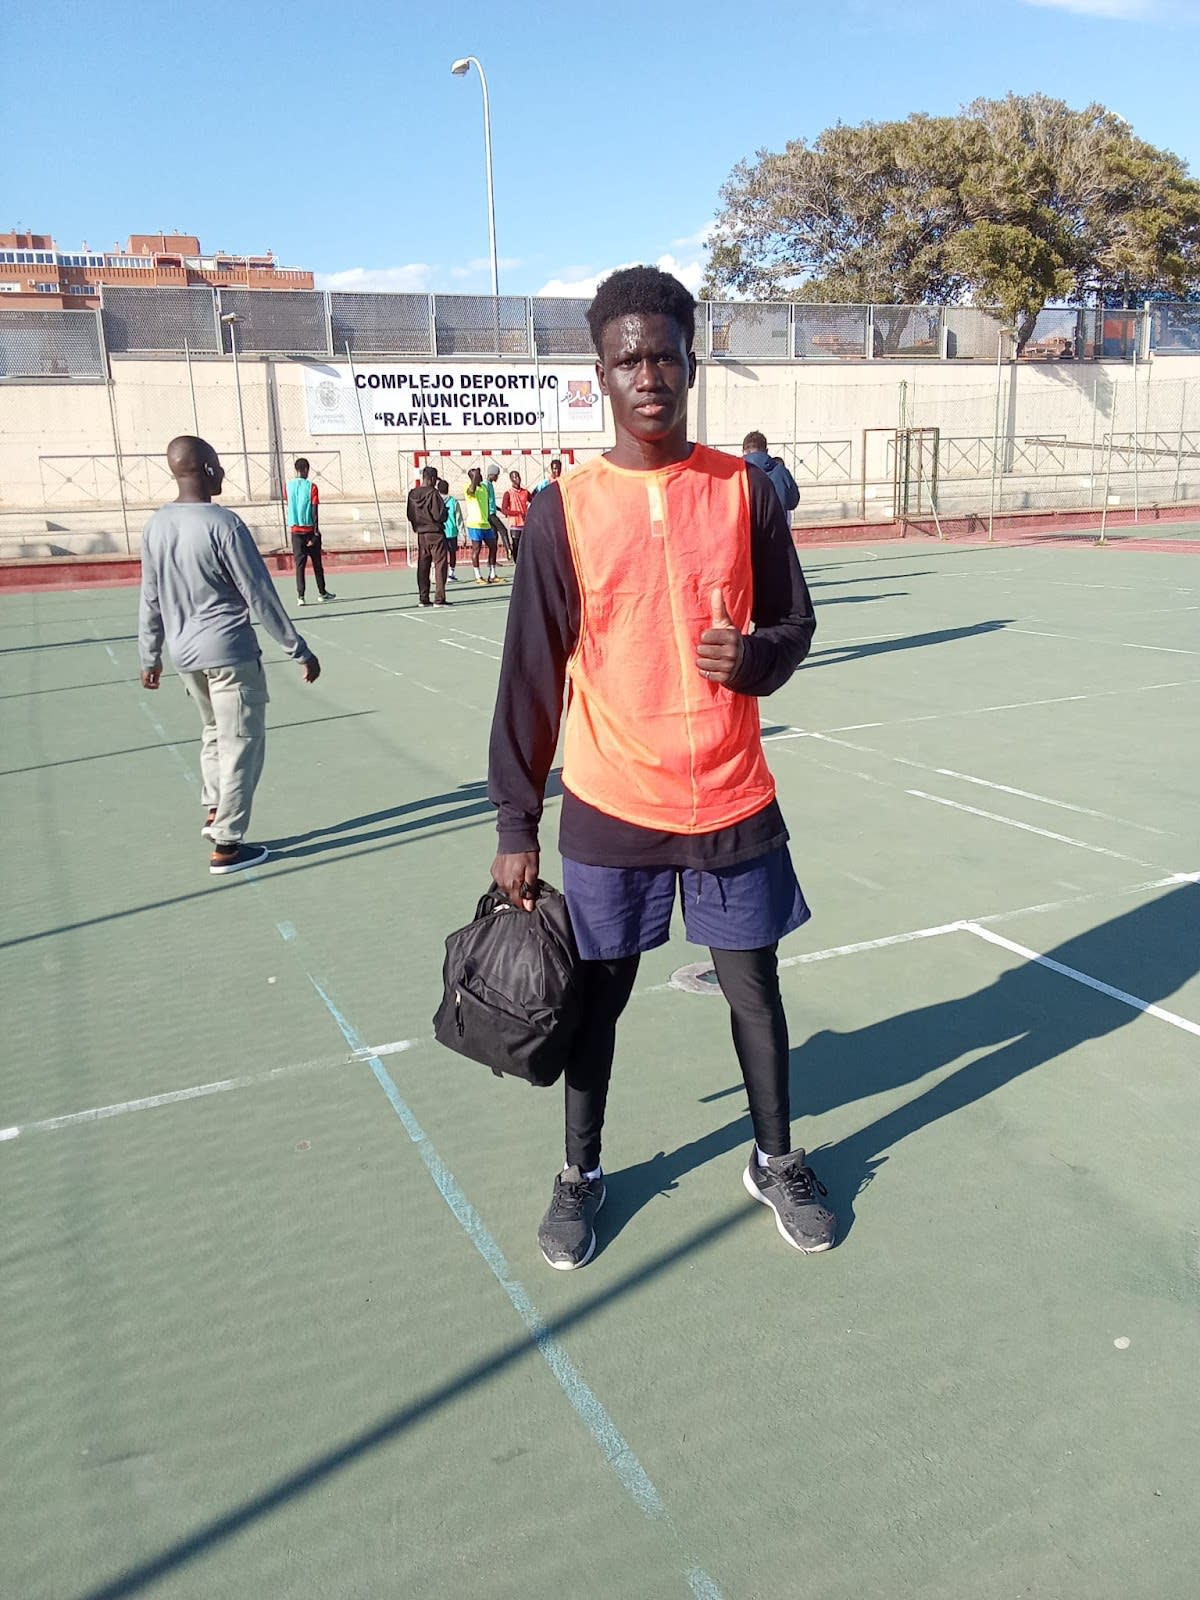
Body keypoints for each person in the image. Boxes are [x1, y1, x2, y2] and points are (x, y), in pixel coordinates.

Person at [488, 266, 834, 1271]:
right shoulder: (563, 511)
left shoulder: (744, 491)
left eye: (664, 355)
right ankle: (581, 1176)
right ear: (599, 373)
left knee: (755, 992)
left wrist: (756, 656)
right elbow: (529, 677)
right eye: (627, 358)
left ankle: (775, 1157)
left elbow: (795, 623)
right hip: (613, 799)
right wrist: (517, 820)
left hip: (730, 794)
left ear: (692, 359)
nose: (649, 374)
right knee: (598, 999)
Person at [139, 436, 321, 875]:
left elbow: (150, 597)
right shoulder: (224, 525)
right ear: (204, 469)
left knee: (212, 732)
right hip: (228, 653)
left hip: (185, 657)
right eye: (217, 465)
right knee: (240, 743)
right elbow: (257, 593)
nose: (221, 473)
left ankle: (213, 805)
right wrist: (298, 648)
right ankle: (227, 843)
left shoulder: (156, 526)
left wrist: (150, 654)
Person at [285, 458, 335, 605]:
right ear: (306, 470)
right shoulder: (312, 487)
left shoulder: (287, 486)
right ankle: (322, 592)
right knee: (317, 563)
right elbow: (314, 511)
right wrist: (316, 532)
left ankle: (300, 597)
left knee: (299, 565)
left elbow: (290, 503)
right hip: (309, 530)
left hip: (295, 531)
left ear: (296, 470)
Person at [407, 465, 449, 607]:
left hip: (420, 534)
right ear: (431, 479)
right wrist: (445, 513)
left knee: (423, 565)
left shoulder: (412, 494)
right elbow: (439, 515)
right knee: (440, 565)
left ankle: (423, 597)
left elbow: (409, 514)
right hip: (435, 533)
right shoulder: (433, 494)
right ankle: (439, 598)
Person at [741, 432, 800, 521]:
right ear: (766, 450)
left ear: (743, 451)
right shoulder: (780, 471)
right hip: (776, 531)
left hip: (747, 531)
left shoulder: (737, 472)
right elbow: (793, 502)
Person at [463, 466, 499, 585]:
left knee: (493, 546)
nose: (481, 476)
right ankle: (478, 576)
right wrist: (474, 476)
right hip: (474, 524)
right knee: (476, 549)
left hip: (485, 523)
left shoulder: (484, 487)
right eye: (478, 475)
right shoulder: (468, 489)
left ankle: (492, 574)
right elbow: (472, 490)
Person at [500, 469, 531, 563]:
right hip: (515, 524)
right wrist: (516, 513)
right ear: (511, 479)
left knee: (526, 545)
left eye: (518, 476)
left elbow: (534, 501)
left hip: (525, 523)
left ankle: (525, 563)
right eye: (514, 477)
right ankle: (516, 563)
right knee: (516, 545)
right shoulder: (508, 493)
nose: (517, 479)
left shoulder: (525, 492)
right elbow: (504, 509)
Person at [485, 463, 511, 572]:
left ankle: (491, 560)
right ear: (491, 474)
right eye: (496, 475)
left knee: (494, 537)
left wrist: (500, 510)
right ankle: (509, 552)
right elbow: (485, 501)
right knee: (503, 530)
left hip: (492, 512)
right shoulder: (485, 485)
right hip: (489, 514)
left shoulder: (490, 485)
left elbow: (491, 502)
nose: (497, 477)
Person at [439, 477, 463, 582]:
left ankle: (440, 573)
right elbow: (459, 518)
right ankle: (451, 573)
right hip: (452, 532)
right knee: (452, 554)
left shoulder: (436, 500)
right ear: (448, 489)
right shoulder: (454, 501)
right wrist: (463, 534)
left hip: (440, 532)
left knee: (441, 554)